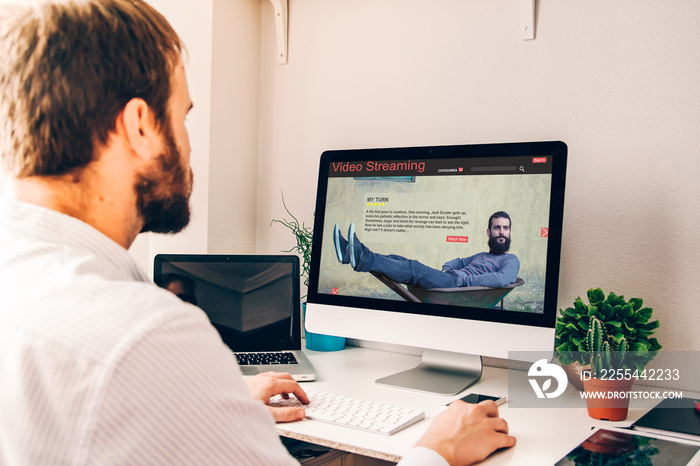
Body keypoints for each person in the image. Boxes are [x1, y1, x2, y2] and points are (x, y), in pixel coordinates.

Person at [0, 1, 515, 464]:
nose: (189, 145)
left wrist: (206, 407)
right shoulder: (146, 337)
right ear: (139, 126)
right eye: (182, 118)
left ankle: (362, 254)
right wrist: (437, 449)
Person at [334, 212, 520, 290]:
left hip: (457, 287)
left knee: (413, 268)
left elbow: (503, 279)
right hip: (451, 279)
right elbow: (459, 261)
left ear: (510, 231)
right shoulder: (481, 256)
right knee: (397, 259)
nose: (501, 232)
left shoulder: (510, 260)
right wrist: (447, 268)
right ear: (489, 232)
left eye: (505, 228)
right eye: (497, 228)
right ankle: (349, 252)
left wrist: (462, 279)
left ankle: (361, 256)